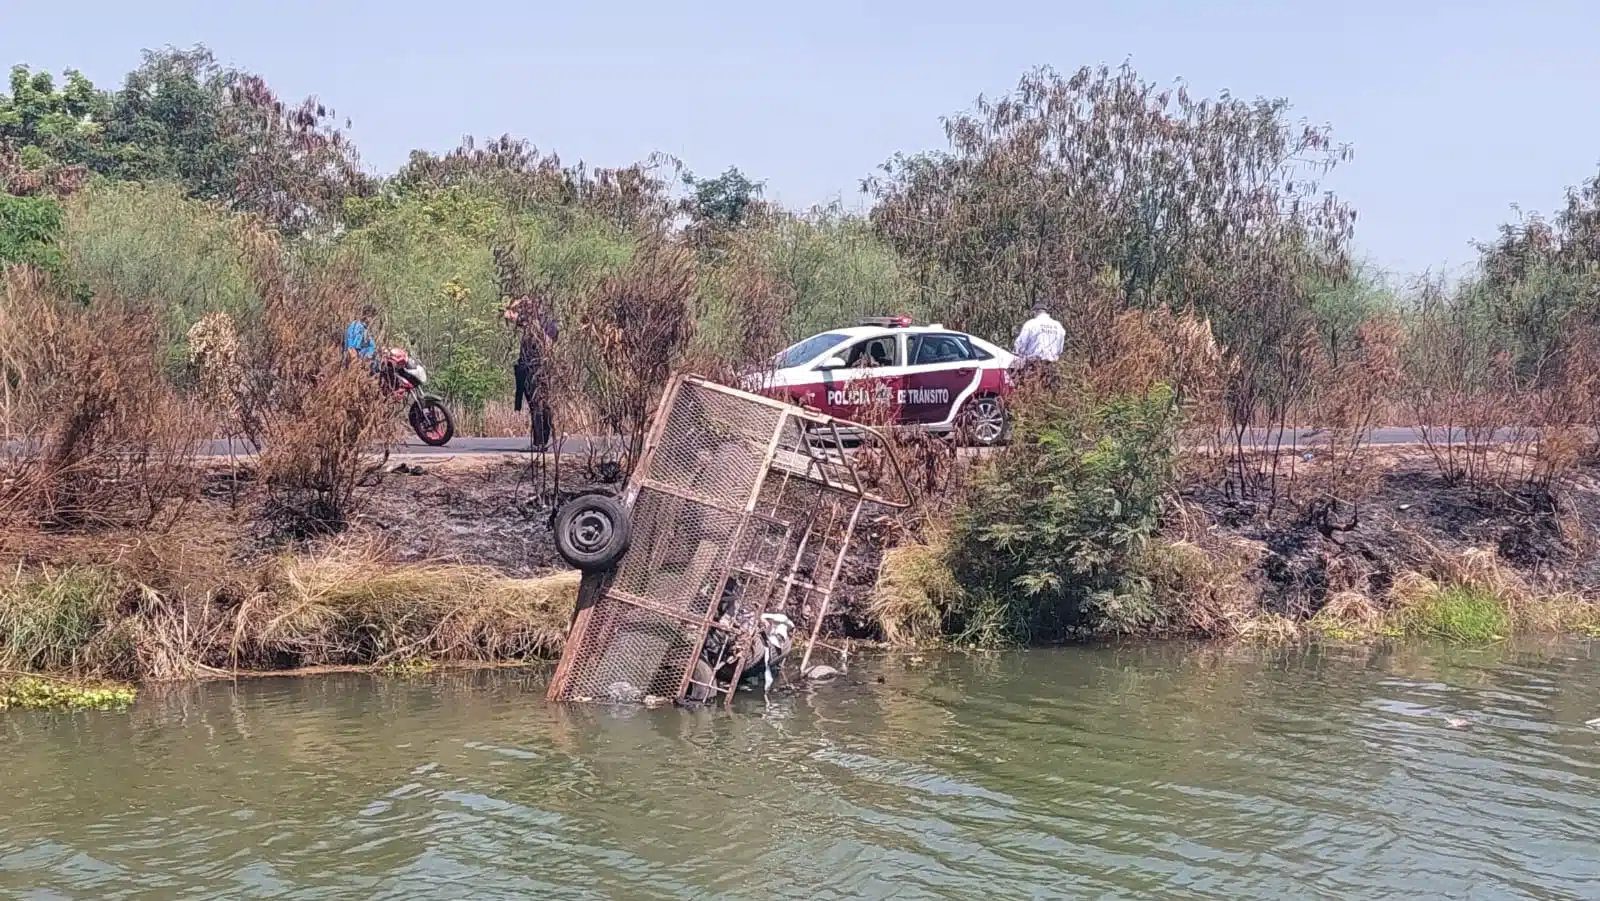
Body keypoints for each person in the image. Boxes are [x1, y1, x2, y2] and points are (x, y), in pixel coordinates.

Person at [507, 295, 559, 451]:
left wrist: (520, 306)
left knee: (539, 406)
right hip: (535, 369)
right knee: (539, 405)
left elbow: (548, 344)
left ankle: (540, 442)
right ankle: (540, 441)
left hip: (536, 369)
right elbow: (509, 314)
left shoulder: (541, 324)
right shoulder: (537, 323)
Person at [1013, 302, 1066, 390]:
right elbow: (1060, 349)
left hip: (1034, 364)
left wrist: (1019, 356)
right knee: (1049, 392)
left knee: (1033, 390)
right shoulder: (1058, 326)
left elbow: (1021, 343)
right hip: (1052, 365)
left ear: (1035, 312)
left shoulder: (1031, 324)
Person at [344, 304, 379, 370]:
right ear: (368, 316)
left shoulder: (364, 328)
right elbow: (353, 350)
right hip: (361, 367)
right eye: (373, 317)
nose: (374, 321)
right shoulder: (357, 327)